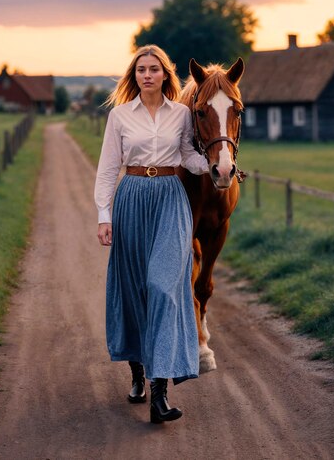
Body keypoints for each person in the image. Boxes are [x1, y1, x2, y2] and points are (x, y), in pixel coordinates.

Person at [94, 45, 208, 424]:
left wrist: (217, 164)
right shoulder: (120, 116)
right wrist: (103, 215)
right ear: (134, 75)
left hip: (170, 200)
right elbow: (109, 168)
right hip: (132, 197)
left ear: (165, 75)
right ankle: (137, 376)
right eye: (141, 69)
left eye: (154, 69)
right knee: (134, 290)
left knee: (163, 286)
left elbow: (188, 155)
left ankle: (160, 394)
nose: (147, 74)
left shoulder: (181, 114)